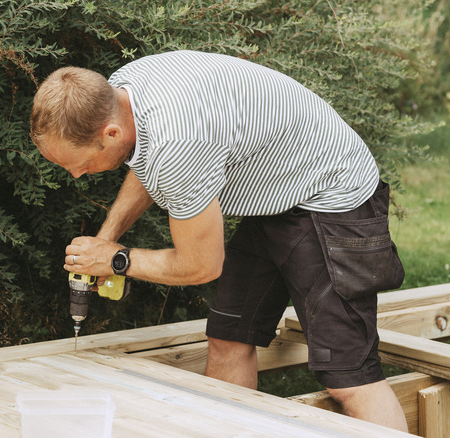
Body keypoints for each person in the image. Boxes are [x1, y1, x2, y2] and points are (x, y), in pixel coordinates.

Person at [30, 50, 408, 432]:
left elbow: (202, 265)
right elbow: (148, 161)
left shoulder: (177, 143)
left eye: (75, 163)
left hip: (332, 198)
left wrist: (118, 261)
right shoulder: (123, 89)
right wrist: (106, 237)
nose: (76, 174)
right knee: (228, 338)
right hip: (276, 191)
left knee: (348, 376)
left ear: (110, 133)